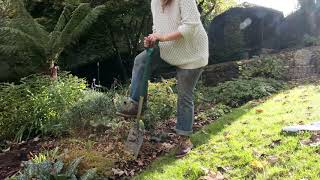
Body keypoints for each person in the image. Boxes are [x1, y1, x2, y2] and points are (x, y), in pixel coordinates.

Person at [117, 0, 209, 158]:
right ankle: (136, 104)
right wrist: (152, 39)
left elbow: (190, 27)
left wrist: (163, 37)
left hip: (192, 54)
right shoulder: (155, 2)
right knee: (141, 60)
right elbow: (158, 28)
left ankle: (184, 139)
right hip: (169, 48)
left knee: (184, 96)